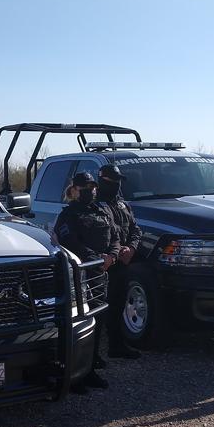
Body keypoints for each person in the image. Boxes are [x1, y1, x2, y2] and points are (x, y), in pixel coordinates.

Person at [54, 172, 119, 392]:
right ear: (74, 190)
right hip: (79, 275)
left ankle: (89, 368)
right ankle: (74, 376)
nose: (90, 191)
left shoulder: (101, 211)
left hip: (100, 272)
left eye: (92, 187)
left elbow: (115, 237)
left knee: (98, 319)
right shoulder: (68, 215)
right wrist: (96, 258)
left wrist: (112, 256)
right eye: (85, 188)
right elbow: (70, 242)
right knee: (80, 322)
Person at [96, 164, 143, 358]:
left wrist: (131, 248)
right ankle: (92, 354)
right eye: (112, 181)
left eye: (118, 181)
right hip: (102, 264)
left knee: (118, 305)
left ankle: (116, 346)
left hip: (123, 262)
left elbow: (135, 229)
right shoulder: (94, 205)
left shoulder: (123, 205)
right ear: (102, 181)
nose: (116, 185)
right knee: (99, 309)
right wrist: (114, 251)